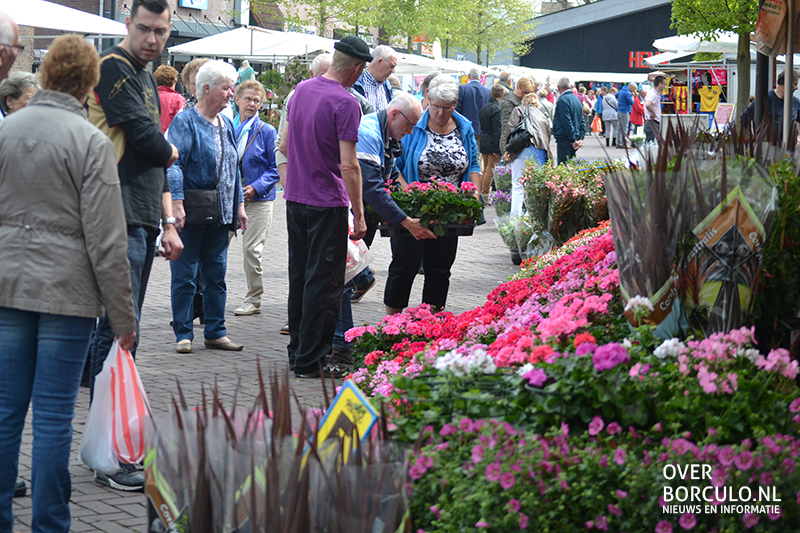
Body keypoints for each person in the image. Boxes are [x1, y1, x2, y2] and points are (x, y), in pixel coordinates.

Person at [0, 35, 137, 533]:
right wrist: (123, 318)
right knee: (55, 417)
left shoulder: (7, 130)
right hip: (67, 294)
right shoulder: (90, 142)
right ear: (89, 82)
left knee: (5, 412)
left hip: (7, 287)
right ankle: (50, 523)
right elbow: (106, 238)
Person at [85, 0, 183, 492]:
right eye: (144, 28)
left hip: (141, 216)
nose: (152, 38)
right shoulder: (113, 67)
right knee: (121, 332)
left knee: (119, 331)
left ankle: (102, 441)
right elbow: (149, 141)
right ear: (128, 23)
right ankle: (107, 452)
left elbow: (156, 157)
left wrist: (167, 219)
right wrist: (169, 148)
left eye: (160, 31)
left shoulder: (144, 73)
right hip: (116, 214)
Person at [278, 36, 370, 378]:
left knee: (299, 276)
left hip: (296, 199)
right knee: (325, 283)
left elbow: (285, 146)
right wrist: (359, 214)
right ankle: (311, 360)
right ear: (358, 69)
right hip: (327, 202)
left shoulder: (301, 90)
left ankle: (297, 353)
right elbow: (349, 166)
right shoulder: (346, 103)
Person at [331, 94, 436, 365]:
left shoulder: (387, 135)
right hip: (339, 209)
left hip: (353, 211)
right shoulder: (367, 131)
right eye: (410, 124)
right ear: (394, 115)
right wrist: (405, 220)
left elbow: (388, 181)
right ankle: (340, 345)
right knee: (341, 277)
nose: (412, 131)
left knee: (345, 275)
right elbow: (372, 187)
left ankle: (335, 341)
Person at [167, 61, 247, 354]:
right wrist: (176, 202)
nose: (231, 93)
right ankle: (183, 332)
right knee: (185, 275)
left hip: (221, 214)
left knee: (217, 275)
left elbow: (233, 168)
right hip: (192, 213)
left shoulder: (226, 123)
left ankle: (216, 330)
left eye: (232, 87)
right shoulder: (185, 122)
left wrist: (238, 205)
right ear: (206, 89)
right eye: (226, 87)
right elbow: (173, 165)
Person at [389, 75, 481, 315]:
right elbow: (393, 165)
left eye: (447, 107)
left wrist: (473, 195)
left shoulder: (464, 127)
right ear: (428, 98)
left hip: (449, 213)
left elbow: (473, 166)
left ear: (455, 104)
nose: (441, 112)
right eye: (437, 106)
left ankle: (431, 324)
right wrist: (408, 192)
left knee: (439, 270)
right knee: (404, 267)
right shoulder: (414, 124)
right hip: (413, 210)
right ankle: (392, 324)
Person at [232, 80, 279, 317]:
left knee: (252, 250)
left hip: (258, 200)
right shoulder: (228, 127)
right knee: (215, 247)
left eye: (257, 101)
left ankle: (254, 299)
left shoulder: (266, 131)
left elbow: (277, 166)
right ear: (237, 99)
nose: (252, 104)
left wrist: (256, 186)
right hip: (229, 198)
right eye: (248, 99)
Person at [503, 92, 553, 217]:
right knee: (536, 186)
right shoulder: (543, 115)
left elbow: (510, 130)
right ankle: (534, 218)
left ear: (524, 102)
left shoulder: (518, 110)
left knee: (517, 185)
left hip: (521, 150)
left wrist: (507, 150)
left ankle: (515, 218)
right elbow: (548, 137)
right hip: (540, 151)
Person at [741, 69, 800, 146]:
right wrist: (752, 138)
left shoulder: (795, 102)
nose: (797, 88)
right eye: (795, 84)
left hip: (791, 149)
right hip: (770, 149)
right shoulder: (766, 99)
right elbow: (744, 117)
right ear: (787, 83)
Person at [352, 44, 397, 111]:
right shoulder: (356, 84)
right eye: (391, 66)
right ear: (379, 62)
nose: (393, 71)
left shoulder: (386, 85)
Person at [478, 84, 504, 200]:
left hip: (484, 139)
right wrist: (497, 148)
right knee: (490, 169)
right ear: (502, 94)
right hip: (492, 141)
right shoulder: (498, 109)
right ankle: (484, 194)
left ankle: (482, 192)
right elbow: (497, 130)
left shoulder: (485, 107)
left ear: (491, 94)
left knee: (485, 168)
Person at [552, 77, 585, 165]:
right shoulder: (576, 100)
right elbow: (582, 121)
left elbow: (566, 121)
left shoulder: (562, 100)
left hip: (565, 138)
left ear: (558, 87)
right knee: (571, 166)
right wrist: (580, 138)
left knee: (563, 166)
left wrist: (572, 139)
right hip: (574, 138)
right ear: (571, 86)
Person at [456, 68, 491, 151]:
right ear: (481, 77)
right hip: (483, 129)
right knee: (478, 154)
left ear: (469, 76)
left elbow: (457, 110)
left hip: (465, 127)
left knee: (466, 152)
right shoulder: (488, 91)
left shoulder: (462, 89)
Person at [499, 77, 534, 154]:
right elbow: (506, 126)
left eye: (528, 93)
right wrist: (505, 149)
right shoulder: (509, 103)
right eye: (524, 92)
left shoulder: (521, 101)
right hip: (512, 143)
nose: (525, 95)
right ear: (518, 87)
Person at [155, 65, 185, 132]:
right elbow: (182, 124)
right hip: (169, 139)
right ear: (173, 82)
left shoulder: (147, 96)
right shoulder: (178, 99)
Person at [644, 75, 666, 144]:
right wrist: (654, 114)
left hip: (652, 123)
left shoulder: (655, 93)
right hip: (652, 122)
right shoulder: (653, 94)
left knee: (650, 144)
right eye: (664, 84)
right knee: (650, 145)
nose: (664, 86)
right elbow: (647, 104)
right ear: (659, 84)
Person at [616, 83, 634, 148]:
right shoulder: (628, 93)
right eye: (634, 89)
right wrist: (633, 96)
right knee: (624, 128)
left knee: (619, 128)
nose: (634, 91)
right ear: (631, 87)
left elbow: (616, 95)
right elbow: (631, 102)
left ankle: (618, 143)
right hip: (625, 111)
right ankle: (624, 144)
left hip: (619, 110)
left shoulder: (621, 91)